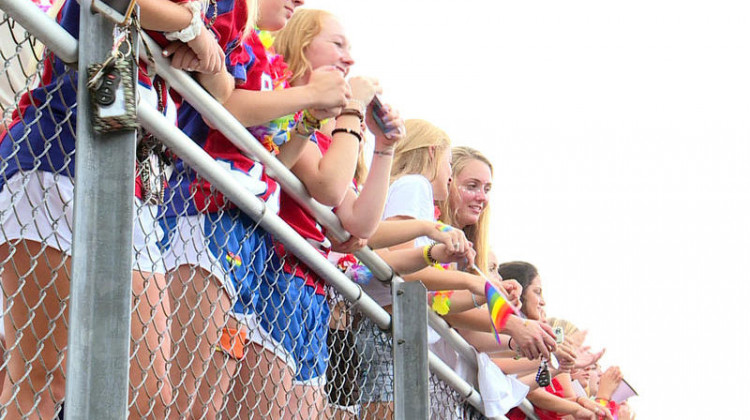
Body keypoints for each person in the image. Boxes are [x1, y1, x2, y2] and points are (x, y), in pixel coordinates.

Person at [0, 0, 229, 417]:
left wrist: (201, 44)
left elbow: (226, 87)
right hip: (57, 162)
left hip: (133, 195)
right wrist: (190, 27)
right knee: (42, 377)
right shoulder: (182, 19)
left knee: (148, 397)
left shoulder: (202, 17)